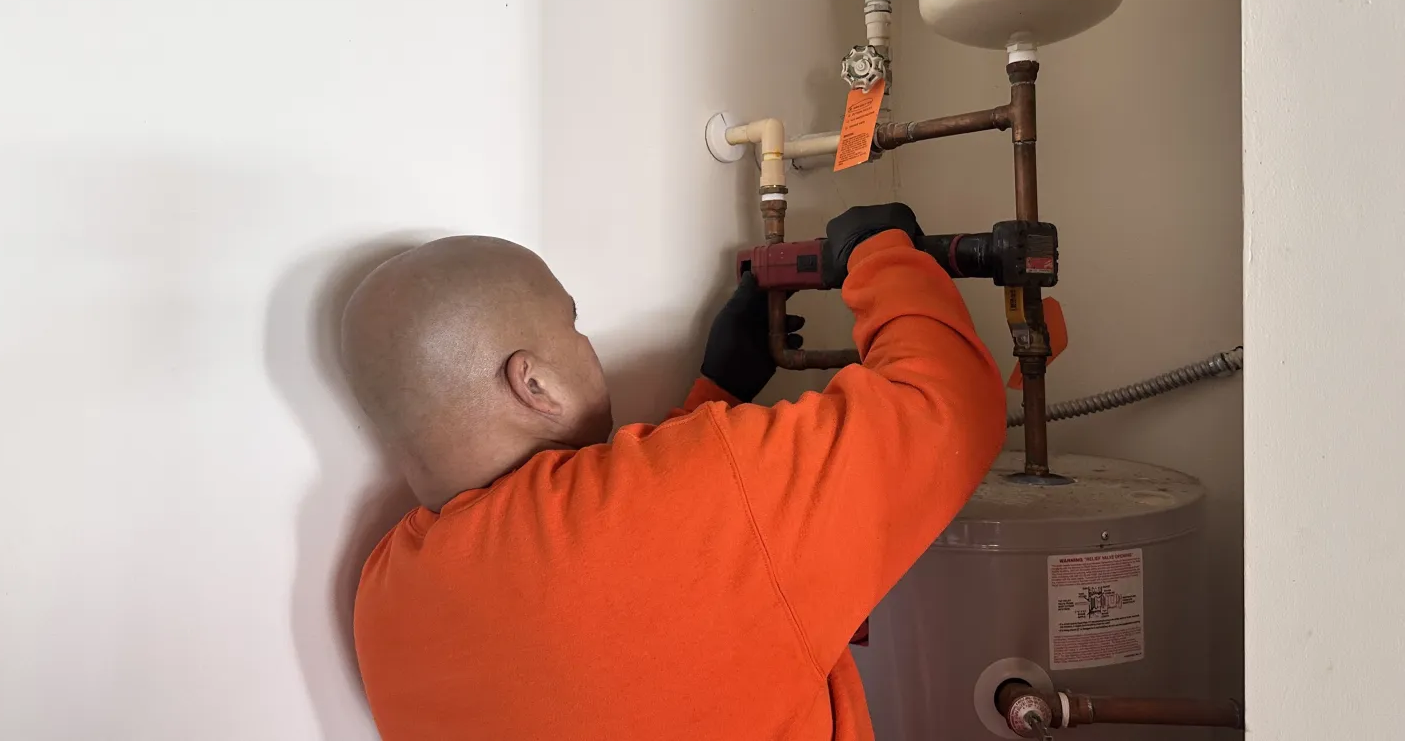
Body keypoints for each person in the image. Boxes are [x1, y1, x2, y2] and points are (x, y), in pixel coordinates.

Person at [343, 203, 1007, 741]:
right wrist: (880, 249)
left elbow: (639, 576)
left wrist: (716, 391)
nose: (587, 344)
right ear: (534, 383)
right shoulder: (698, 498)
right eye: (573, 324)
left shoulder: (381, 603)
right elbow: (949, 407)